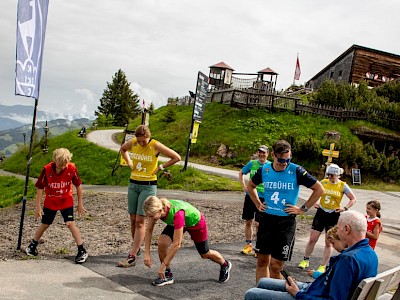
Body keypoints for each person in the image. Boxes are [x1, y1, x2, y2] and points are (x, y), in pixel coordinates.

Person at [244, 210, 379, 300]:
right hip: (315, 289)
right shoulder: (370, 254)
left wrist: (298, 294)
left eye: (338, 228)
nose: (337, 232)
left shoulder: (348, 259)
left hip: (310, 295)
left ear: (346, 229)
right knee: (263, 282)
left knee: (252, 294)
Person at [247, 140, 325, 283]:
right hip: (267, 219)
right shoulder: (265, 170)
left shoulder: (296, 170)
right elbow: (250, 186)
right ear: (274, 156)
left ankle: (282, 293)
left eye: (288, 160)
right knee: (262, 261)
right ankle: (262, 294)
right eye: (281, 160)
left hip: (285, 223)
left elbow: (319, 189)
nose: (285, 163)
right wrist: (258, 203)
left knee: (276, 266)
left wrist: (302, 209)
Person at [117, 125, 181, 267]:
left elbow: (176, 157)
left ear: (148, 137)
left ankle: (132, 256)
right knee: (133, 219)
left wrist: (161, 167)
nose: (141, 144)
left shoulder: (155, 145)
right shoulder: (133, 142)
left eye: (143, 141)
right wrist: (129, 162)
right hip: (133, 183)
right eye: (139, 141)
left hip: (148, 185)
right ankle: (136, 248)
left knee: (141, 220)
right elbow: (123, 149)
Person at [142, 196, 232, 286]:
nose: (150, 218)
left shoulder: (177, 214)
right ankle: (167, 275)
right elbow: (149, 231)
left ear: (160, 210)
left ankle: (225, 264)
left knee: (205, 254)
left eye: (151, 216)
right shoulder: (156, 210)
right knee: (162, 242)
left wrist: (163, 265)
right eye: (148, 216)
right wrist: (147, 254)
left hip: (196, 223)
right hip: (177, 223)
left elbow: (177, 244)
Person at [25, 148, 88, 264]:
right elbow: (40, 188)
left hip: (66, 200)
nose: (62, 168)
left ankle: (82, 250)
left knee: (70, 223)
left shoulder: (72, 169)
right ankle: (32, 245)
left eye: (64, 165)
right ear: (54, 161)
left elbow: (78, 185)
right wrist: (38, 207)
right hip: (51, 200)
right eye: (60, 166)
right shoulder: (47, 169)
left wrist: (80, 203)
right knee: (45, 224)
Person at [298, 163, 356, 273]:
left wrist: (344, 208)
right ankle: (305, 259)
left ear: (337, 175)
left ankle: (323, 265)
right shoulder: (324, 182)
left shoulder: (343, 185)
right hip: (321, 212)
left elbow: (353, 199)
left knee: (329, 242)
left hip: (333, 214)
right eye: (328, 175)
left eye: (332, 175)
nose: (329, 177)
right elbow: (316, 192)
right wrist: (316, 203)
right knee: (312, 238)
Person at [239, 145, 269, 256]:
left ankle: (259, 247)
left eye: (264, 153)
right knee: (249, 221)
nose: (261, 154)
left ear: (267, 154)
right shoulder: (252, 163)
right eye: (260, 152)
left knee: (259, 224)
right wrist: (243, 185)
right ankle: (248, 245)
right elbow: (241, 172)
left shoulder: (270, 166)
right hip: (250, 195)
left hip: (263, 197)